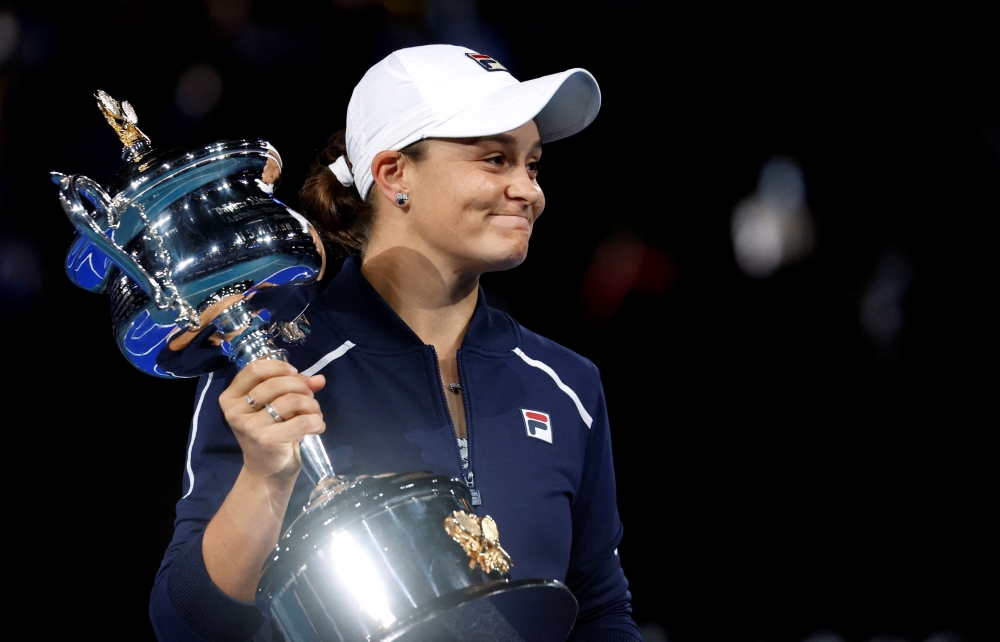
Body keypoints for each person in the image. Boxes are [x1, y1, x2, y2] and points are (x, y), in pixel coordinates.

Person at [150, 44, 642, 642]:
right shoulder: (274, 366)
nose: (528, 190)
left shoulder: (566, 383)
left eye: (532, 165)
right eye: (495, 160)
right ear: (394, 174)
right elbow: (187, 623)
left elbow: (599, 611)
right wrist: (264, 480)